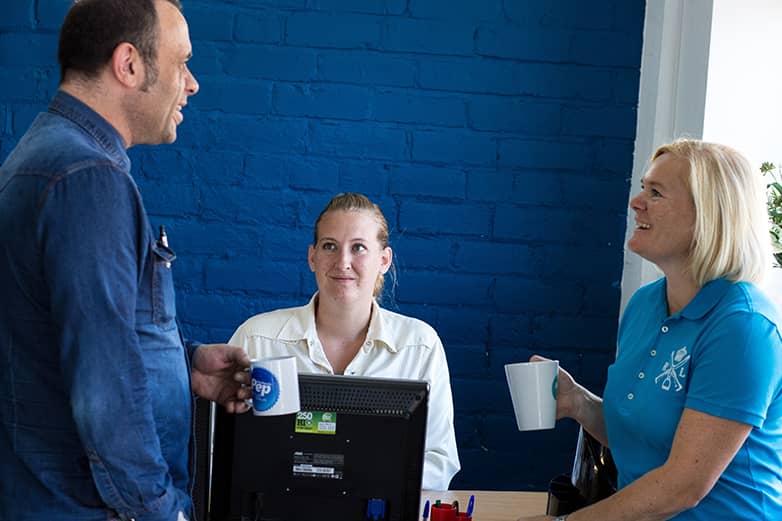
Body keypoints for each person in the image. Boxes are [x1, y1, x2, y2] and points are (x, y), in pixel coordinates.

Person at [0, 1, 251, 520]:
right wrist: (160, 510)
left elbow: (73, 335)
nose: (192, 84)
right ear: (129, 64)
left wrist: (185, 365)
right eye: (182, 62)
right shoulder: (86, 176)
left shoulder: (49, 155)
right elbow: (104, 388)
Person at [520, 139, 782, 521]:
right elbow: (646, 439)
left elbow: (682, 486)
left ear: (709, 215)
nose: (636, 202)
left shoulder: (743, 328)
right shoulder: (645, 304)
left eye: (656, 193)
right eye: (644, 187)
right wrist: (579, 403)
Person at [229, 192, 461, 490]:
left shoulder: (420, 345)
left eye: (359, 248)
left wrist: (352, 474)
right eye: (330, 246)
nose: (343, 262)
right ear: (312, 257)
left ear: (384, 260)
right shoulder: (257, 338)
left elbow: (440, 461)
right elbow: (215, 444)